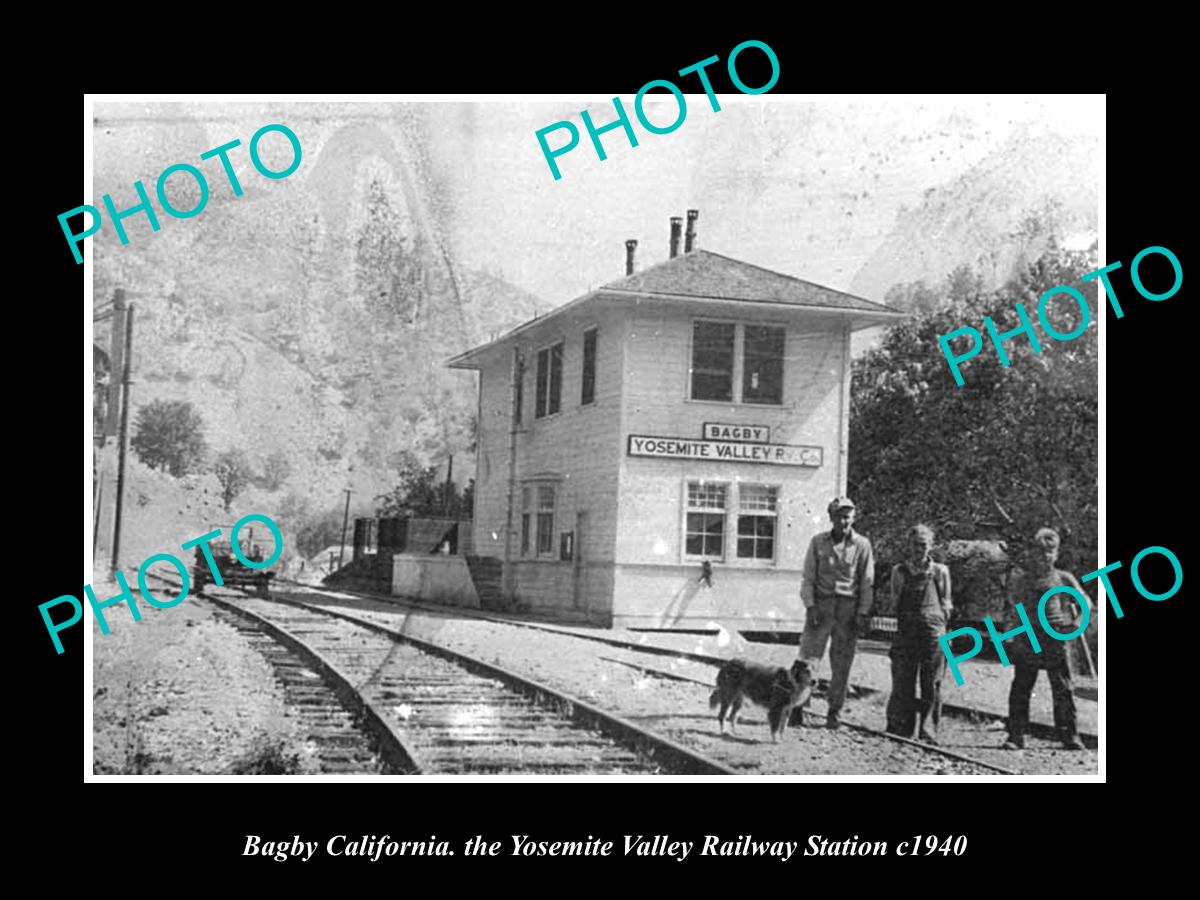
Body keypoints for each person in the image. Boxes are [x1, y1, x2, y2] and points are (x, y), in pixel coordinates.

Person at [1002, 527, 1090, 751]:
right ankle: (1015, 736)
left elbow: (1086, 603)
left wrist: (1075, 624)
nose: (1045, 556)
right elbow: (1014, 608)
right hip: (1029, 635)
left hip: (1056, 636)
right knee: (1022, 686)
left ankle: (1069, 736)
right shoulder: (1022, 579)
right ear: (1033, 553)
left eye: (1050, 551)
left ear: (1057, 554)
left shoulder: (1063, 578)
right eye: (1041, 551)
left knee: (1062, 687)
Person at [799, 497, 875, 729]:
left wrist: (862, 612)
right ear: (831, 517)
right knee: (808, 659)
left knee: (842, 663)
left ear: (854, 518)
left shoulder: (862, 545)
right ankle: (799, 705)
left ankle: (835, 710)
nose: (844, 521)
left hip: (847, 611)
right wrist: (811, 605)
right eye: (840, 516)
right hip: (821, 608)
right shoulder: (818, 542)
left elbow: (866, 581)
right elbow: (808, 577)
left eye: (848, 516)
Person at [885, 524, 952, 743]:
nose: (919, 549)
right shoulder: (899, 571)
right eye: (915, 545)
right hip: (907, 630)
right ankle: (900, 728)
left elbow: (946, 603)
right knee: (903, 679)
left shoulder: (940, 572)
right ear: (909, 546)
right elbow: (895, 601)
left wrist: (941, 630)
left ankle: (928, 729)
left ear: (930, 547)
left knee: (931, 681)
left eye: (923, 545)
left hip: (933, 631)